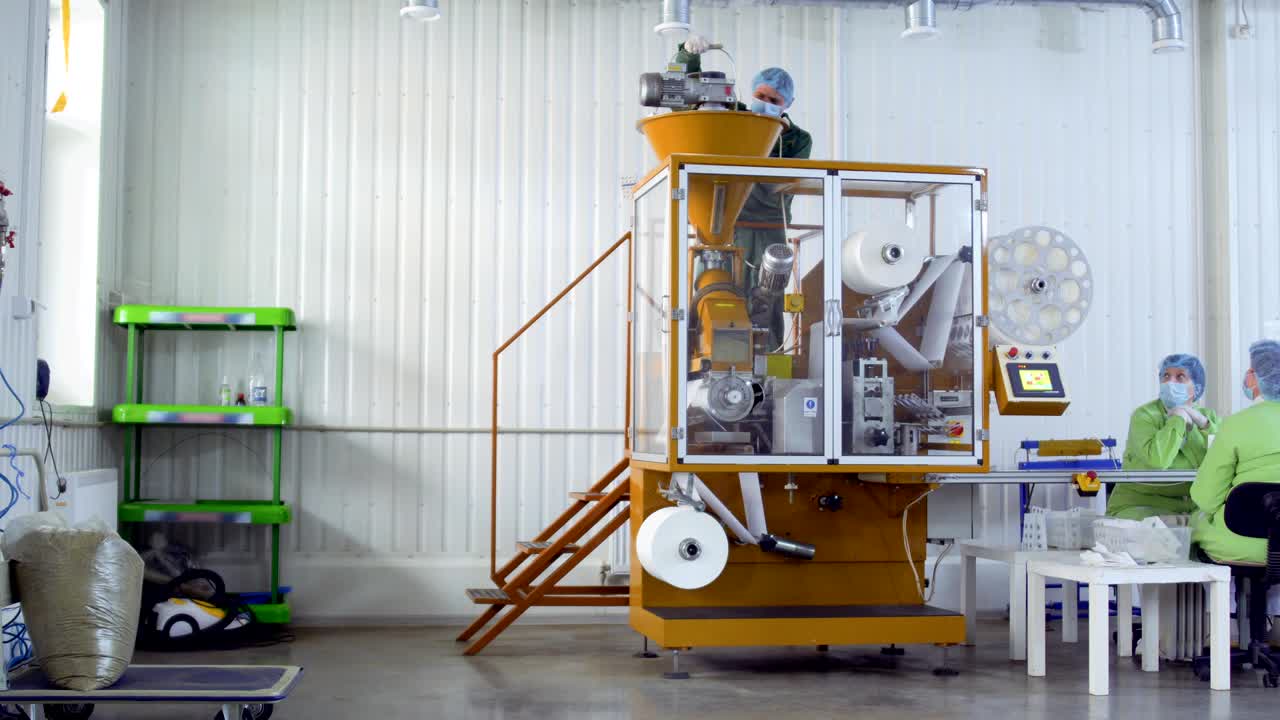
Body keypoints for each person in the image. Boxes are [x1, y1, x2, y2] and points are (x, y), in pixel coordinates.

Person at [676, 34, 813, 348]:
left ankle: (769, 359)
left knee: (767, 298)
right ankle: (705, 356)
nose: (765, 103)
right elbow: (688, 96)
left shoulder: (797, 140)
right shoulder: (732, 116)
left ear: (787, 104)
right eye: (760, 95)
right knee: (713, 290)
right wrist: (687, 56)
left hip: (768, 227)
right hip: (724, 222)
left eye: (774, 100)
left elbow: (778, 183)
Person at [1191, 340, 1280, 563]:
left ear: (1253, 378)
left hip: (1241, 545)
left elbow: (1206, 498)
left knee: (1196, 522)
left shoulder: (1235, 425)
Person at [1108, 353, 1221, 520]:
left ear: (1196, 388)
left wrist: (1204, 424)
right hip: (1141, 505)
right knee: (1160, 529)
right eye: (1166, 376)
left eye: (1180, 377)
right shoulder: (1144, 416)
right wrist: (1178, 418)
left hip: (1192, 508)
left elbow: (1224, 459)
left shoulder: (1208, 418)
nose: (1170, 382)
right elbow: (1158, 460)